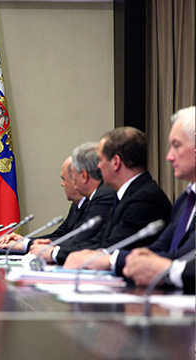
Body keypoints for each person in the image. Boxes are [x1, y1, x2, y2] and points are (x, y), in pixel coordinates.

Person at [66, 107, 195, 283]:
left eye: (176, 145)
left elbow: (182, 256)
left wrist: (112, 260)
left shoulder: (145, 198)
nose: (169, 157)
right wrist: (132, 259)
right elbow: (158, 249)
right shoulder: (184, 201)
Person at [63, 126, 172, 269]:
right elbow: (100, 240)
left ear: (116, 162)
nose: (99, 166)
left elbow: (112, 247)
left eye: (101, 160)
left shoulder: (144, 198)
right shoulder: (126, 194)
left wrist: (57, 253)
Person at [29, 142, 116, 264]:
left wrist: (52, 251)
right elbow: (69, 236)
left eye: (73, 175)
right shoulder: (93, 197)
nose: (72, 181)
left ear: (84, 175)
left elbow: (85, 241)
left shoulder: (104, 196)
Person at [0, 156, 86, 250]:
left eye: (64, 179)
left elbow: (73, 241)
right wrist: (23, 240)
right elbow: (58, 235)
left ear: (76, 180)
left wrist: (25, 244)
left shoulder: (93, 205)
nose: (62, 184)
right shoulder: (76, 205)